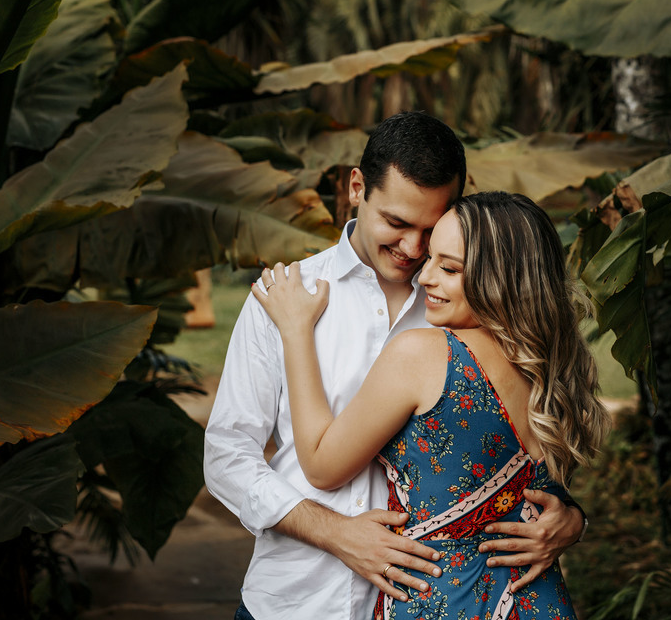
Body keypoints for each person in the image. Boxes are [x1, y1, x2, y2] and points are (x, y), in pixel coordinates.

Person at [204, 113, 587, 620]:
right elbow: (228, 455)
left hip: (425, 600)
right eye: (397, 223)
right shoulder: (285, 298)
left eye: (429, 230)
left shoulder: (462, 304)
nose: (412, 250)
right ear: (356, 189)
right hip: (300, 597)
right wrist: (336, 534)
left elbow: (511, 448)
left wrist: (569, 518)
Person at [254, 191, 610, 619]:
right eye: (430, 260)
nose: (424, 277)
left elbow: (319, 464)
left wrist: (295, 330)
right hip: (542, 603)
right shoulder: (556, 367)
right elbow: (545, 498)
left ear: (502, 279)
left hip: (445, 602)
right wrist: (574, 520)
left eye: (450, 268)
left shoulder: (424, 355)